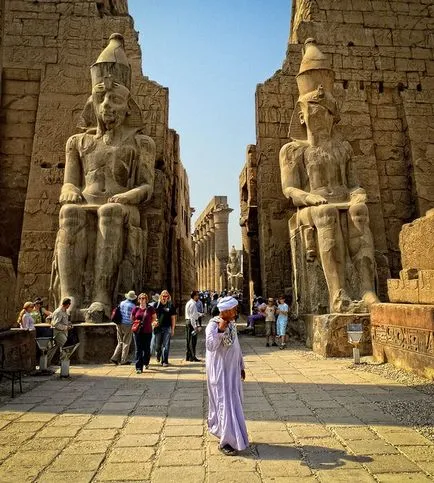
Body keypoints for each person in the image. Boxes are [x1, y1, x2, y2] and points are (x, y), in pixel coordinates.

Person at [51, 33, 156, 321]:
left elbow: (147, 186)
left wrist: (127, 196)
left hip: (123, 206)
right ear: (93, 103)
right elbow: (70, 182)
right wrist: (69, 191)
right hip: (87, 201)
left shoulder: (141, 143)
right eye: (102, 98)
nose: (108, 105)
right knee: (70, 212)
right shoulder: (78, 142)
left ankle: (101, 295)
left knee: (109, 212)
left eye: (116, 99)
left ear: (128, 107)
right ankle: (69, 296)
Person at [279, 38, 378, 313]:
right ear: (301, 115)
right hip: (311, 206)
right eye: (316, 110)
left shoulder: (342, 147)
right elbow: (290, 190)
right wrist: (310, 197)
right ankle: (339, 293)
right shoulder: (293, 150)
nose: (322, 115)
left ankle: (367, 290)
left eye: (327, 111)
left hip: (342, 198)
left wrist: (358, 194)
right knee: (327, 215)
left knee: (359, 212)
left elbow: (354, 183)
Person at [206, 296, 248, 456]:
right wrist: (220, 330)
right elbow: (210, 346)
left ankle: (233, 435)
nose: (236, 311)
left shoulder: (232, 324)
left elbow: (236, 346)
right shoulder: (213, 325)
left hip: (232, 371)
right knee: (224, 403)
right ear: (226, 310)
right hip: (220, 372)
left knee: (233, 403)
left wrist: (241, 365)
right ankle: (225, 441)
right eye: (235, 309)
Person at [131, 293, 156, 374]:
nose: (141, 300)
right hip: (137, 332)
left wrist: (149, 323)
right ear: (138, 300)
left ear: (146, 299)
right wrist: (137, 323)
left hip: (147, 331)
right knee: (138, 349)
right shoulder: (136, 309)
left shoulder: (150, 309)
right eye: (140, 298)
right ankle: (138, 367)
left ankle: (146, 362)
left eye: (143, 298)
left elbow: (154, 318)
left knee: (146, 349)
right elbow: (132, 318)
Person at [110, 290, 137, 365]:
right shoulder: (133, 306)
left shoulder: (122, 303)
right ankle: (123, 360)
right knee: (126, 343)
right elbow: (133, 317)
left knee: (120, 342)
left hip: (119, 323)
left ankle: (114, 357)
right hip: (128, 324)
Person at [153, 290, 176, 367]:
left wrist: (172, 329)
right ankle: (157, 355)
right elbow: (151, 316)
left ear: (168, 297)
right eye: (163, 296)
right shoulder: (156, 305)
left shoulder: (170, 306)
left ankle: (164, 361)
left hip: (167, 328)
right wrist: (153, 322)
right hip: (158, 328)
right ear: (160, 296)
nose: (164, 298)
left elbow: (173, 318)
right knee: (157, 346)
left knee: (166, 345)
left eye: (166, 296)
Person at [184, 290, 202, 362]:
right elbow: (192, 317)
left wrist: (200, 314)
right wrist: (195, 327)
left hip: (188, 322)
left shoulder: (190, 303)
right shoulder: (193, 304)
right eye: (197, 295)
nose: (198, 297)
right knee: (192, 340)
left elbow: (194, 313)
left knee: (189, 339)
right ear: (194, 296)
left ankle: (188, 356)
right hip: (191, 323)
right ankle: (192, 356)